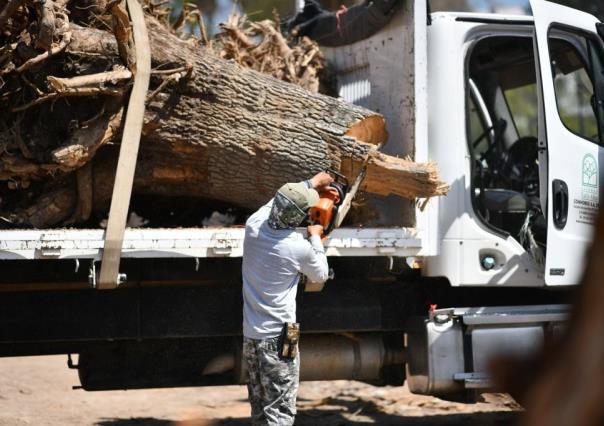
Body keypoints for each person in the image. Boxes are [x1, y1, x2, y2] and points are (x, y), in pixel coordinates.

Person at [241, 172, 333, 426]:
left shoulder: (254, 225)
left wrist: (311, 183)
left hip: (252, 335)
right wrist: (315, 236)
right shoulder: (296, 246)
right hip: (283, 336)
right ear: (299, 217)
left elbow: (275, 202)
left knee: (260, 410)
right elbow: (321, 274)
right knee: (280, 412)